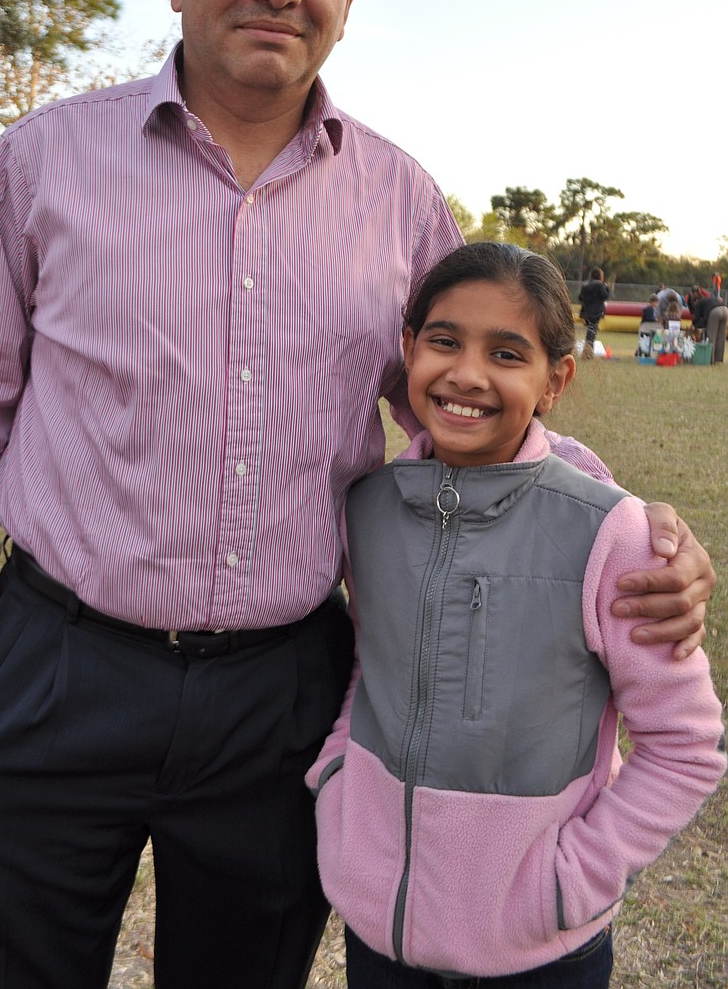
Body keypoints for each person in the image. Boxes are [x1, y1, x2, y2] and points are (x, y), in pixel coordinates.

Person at [0, 0, 716, 989]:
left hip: (281, 702)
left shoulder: (400, 200)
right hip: (49, 665)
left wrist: (626, 521)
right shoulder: (46, 162)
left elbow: (467, 400)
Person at [308, 242, 726, 988]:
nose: (467, 373)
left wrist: (572, 879)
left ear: (554, 380)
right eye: (444, 341)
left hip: (540, 952)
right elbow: (369, 668)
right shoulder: (365, 510)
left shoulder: (614, 534)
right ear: (408, 351)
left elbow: (686, 746)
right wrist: (339, 781)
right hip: (379, 931)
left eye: (507, 352)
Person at [577, 266, 610, 360]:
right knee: (592, 332)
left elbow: (580, 297)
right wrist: (606, 288)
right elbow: (605, 295)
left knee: (590, 331)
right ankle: (587, 353)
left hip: (586, 311)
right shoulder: (600, 285)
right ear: (600, 275)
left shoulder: (585, 284)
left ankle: (587, 352)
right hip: (597, 311)